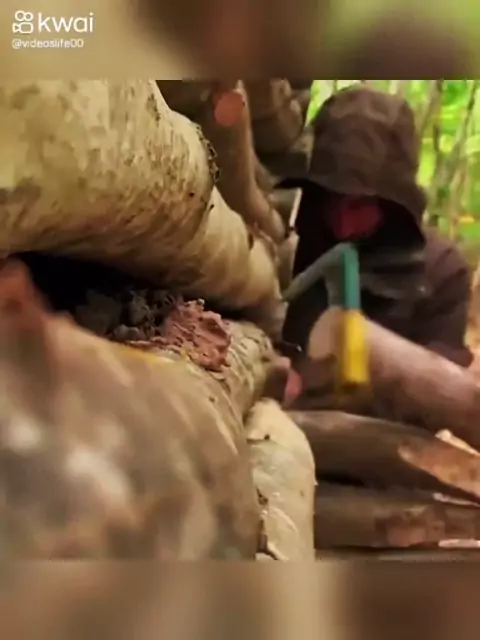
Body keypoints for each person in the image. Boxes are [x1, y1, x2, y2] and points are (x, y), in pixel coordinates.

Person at [279, 84, 473, 368]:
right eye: (331, 200)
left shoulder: (442, 271)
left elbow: (442, 380)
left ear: (395, 205)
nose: (343, 223)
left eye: (360, 205)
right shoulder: (289, 246)